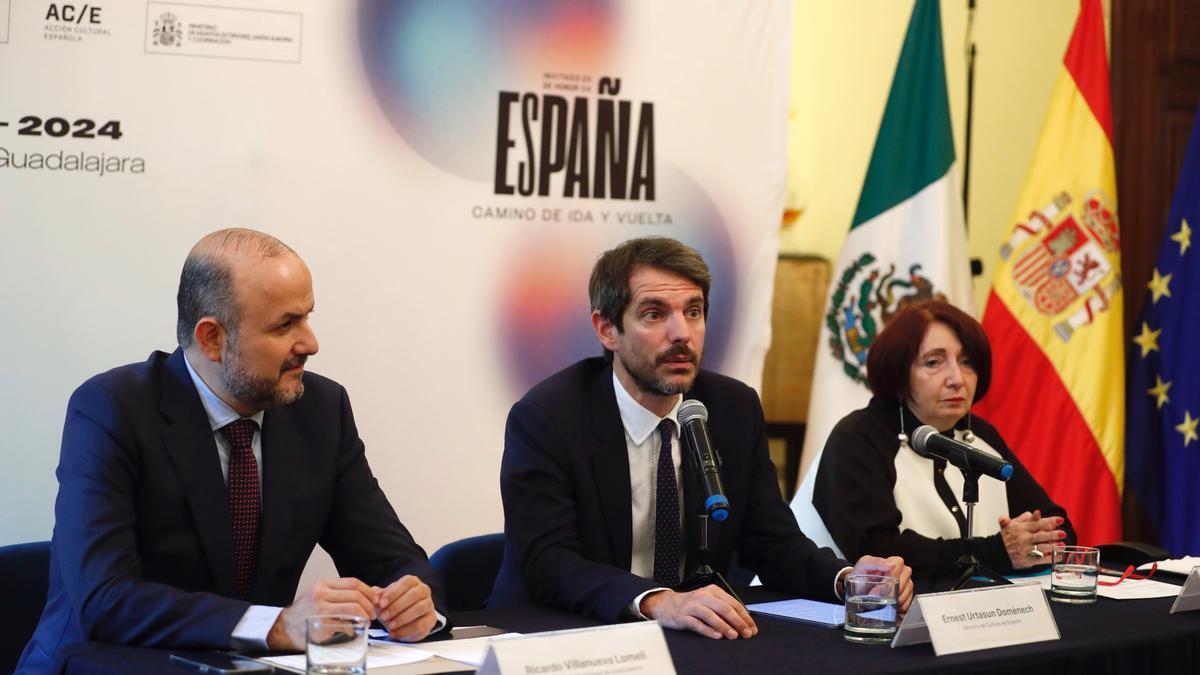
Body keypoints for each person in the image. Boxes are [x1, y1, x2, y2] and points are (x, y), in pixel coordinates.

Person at [19, 229, 445, 672]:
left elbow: (393, 558)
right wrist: (276, 626)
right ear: (211, 339)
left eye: (308, 317)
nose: (311, 343)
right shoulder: (113, 410)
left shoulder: (321, 410)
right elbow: (106, 599)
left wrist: (414, 602)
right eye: (285, 324)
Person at [491, 236, 913, 640]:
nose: (682, 334)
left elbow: (772, 541)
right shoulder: (549, 417)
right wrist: (658, 601)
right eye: (655, 314)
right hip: (563, 637)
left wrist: (850, 579)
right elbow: (550, 563)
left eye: (693, 311)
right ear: (606, 329)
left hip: (689, 636)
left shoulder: (732, 408)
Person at [813, 300, 1076, 579]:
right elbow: (877, 551)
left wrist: (1036, 540)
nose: (956, 379)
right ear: (899, 372)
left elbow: (1057, 529)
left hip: (985, 611)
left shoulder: (982, 435)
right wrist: (995, 552)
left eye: (967, 362)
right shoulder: (858, 438)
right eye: (934, 362)